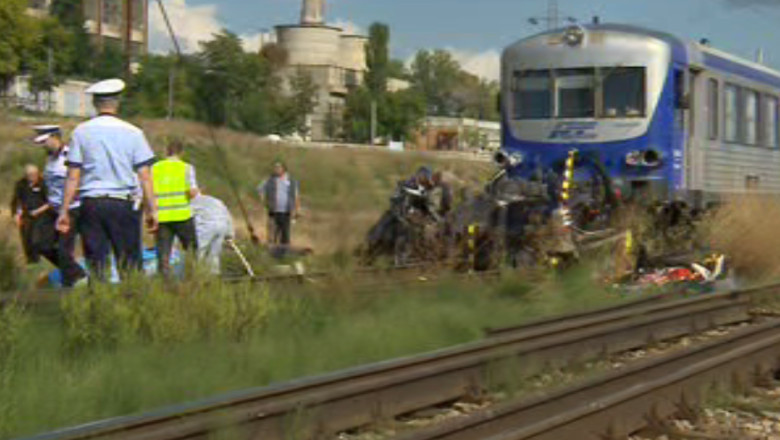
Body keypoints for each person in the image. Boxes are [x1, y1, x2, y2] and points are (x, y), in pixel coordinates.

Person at [56, 78, 158, 280]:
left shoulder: (81, 132)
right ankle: (132, 297)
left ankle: (99, 297)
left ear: (95, 103)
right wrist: (152, 209)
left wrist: (64, 210)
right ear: (117, 103)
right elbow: (145, 176)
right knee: (129, 265)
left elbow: (73, 176)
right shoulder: (134, 133)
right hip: (122, 203)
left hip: (91, 203)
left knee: (96, 264)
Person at [33, 125, 87, 287]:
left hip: (71, 209)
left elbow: (80, 178)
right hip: (53, 208)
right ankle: (77, 273)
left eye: (44, 141)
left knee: (64, 251)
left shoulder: (71, 156)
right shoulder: (50, 158)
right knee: (41, 244)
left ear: (55, 138)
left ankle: (71, 284)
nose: (42, 146)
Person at [152, 139, 199, 276]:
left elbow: (148, 192)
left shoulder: (155, 168)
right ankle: (193, 278)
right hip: (183, 215)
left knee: (163, 254)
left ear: (166, 151)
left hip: (162, 216)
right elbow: (192, 192)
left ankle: (164, 282)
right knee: (191, 250)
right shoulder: (186, 168)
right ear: (181, 152)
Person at [10, 165, 48, 264]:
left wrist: (38, 211)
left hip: (42, 215)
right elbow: (16, 201)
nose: (31, 177)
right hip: (26, 215)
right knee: (26, 240)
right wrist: (15, 215)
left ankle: (38, 260)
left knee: (36, 239)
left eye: (33, 174)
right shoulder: (20, 184)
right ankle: (31, 262)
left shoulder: (43, 184)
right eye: (29, 175)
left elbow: (50, 202)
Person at [258, 161, 300, 246]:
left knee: (285, 234)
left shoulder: (291, 181)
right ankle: (271, 248)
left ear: (283, 169)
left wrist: (297, 209)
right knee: (272, 233)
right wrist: (264, 201)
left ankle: (284, 250)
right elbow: (260, 189)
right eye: (275, 168)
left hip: (286, 211)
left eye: (278, 167)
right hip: (273, 211)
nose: (276, 169)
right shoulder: (270, 180)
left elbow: (296, 196)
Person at [191, 192, 234, 274]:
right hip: (222, 226)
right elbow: (228, 216)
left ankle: (196, 274)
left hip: (206, 227)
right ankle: (214, 275)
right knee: (214, 254)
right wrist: (230, 234)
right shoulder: (215, 200)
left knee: (198, 251)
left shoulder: (192, 202)